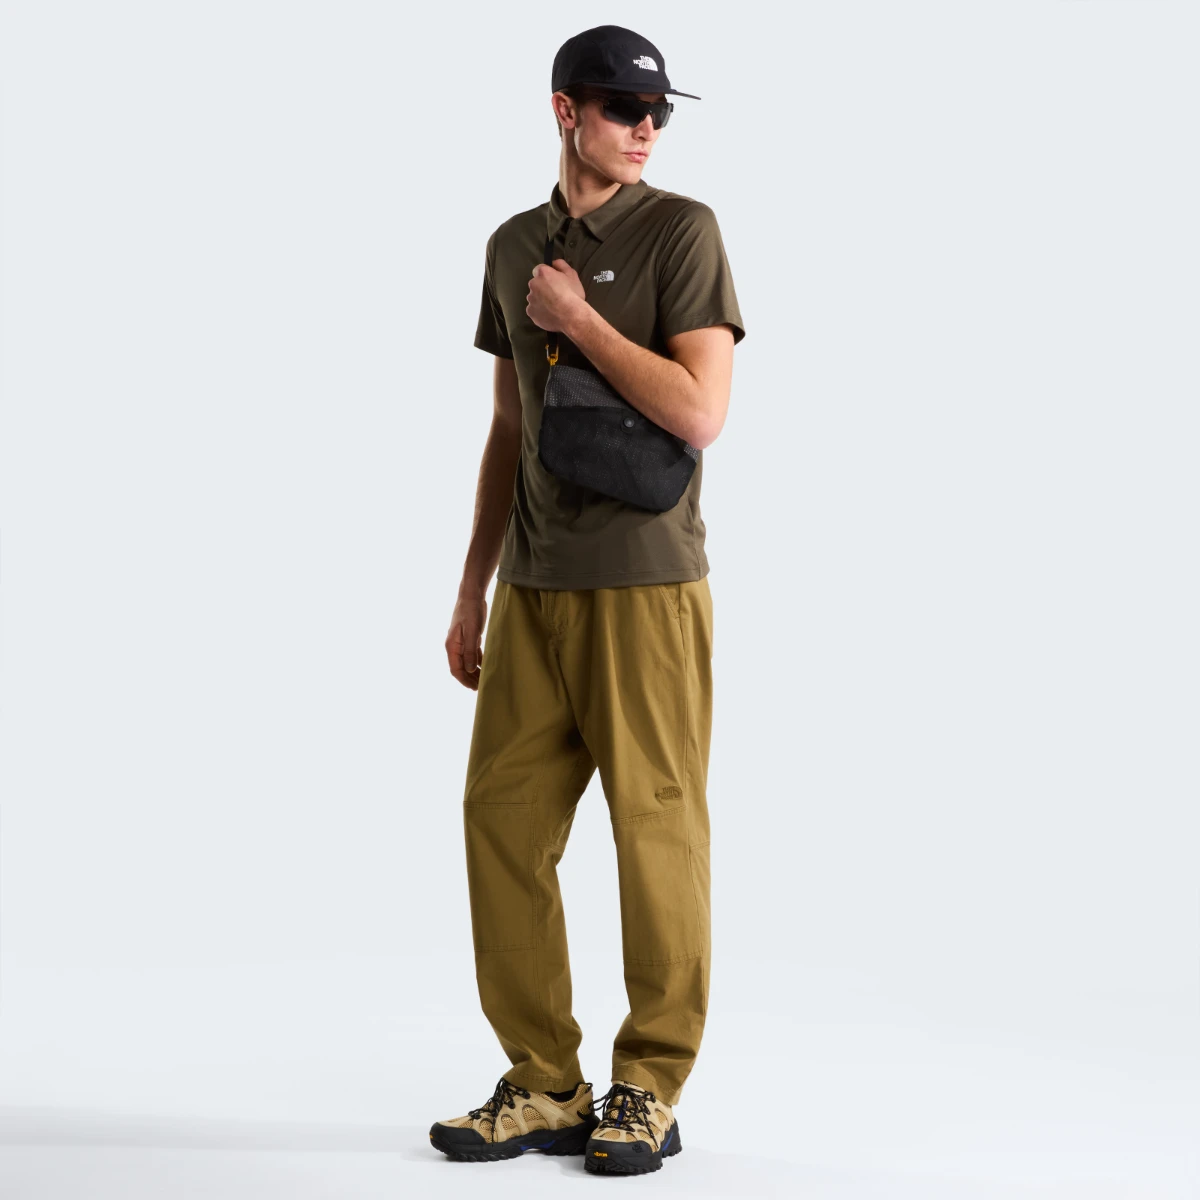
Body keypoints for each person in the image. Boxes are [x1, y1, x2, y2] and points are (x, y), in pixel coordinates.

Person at [431, 24, 745, 1177]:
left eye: (657, 111)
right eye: (622, 108)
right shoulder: (513, 246)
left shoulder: (682, 232)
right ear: (567, 110)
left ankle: (648, 1086)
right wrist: (472, 588)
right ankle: (543, 1083)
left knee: (656, 829)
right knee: (502, 823)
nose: (646, 128)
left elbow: (701, 412)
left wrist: (581, 322)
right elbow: (509, 425)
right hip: (534, 586)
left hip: (646, 585)